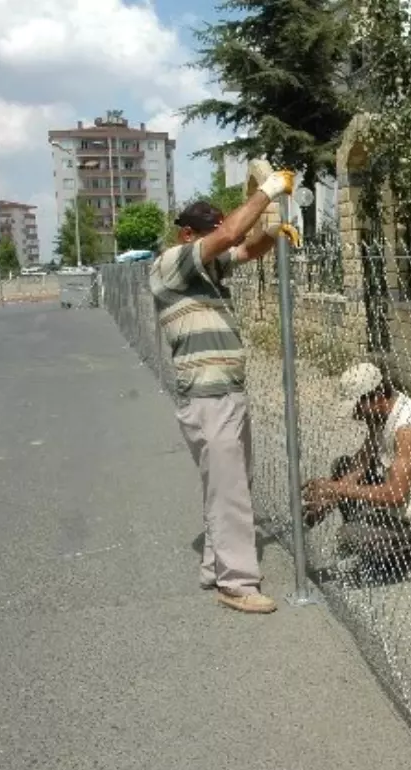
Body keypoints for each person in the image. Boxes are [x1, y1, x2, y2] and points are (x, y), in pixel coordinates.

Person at [150, 168, 299, 614]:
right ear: (187, 234)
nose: (221, 240)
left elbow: (245, 246)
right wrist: (269, 190)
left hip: (228, 393)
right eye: (210, 234)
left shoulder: (209, 270)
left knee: (230, 484)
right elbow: (234, 232)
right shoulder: (171, 265)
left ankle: (216, 566)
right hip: (207, 397)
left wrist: (272, 232)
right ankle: (236, 583)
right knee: (230, 489)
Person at [302, 362, 411, 582]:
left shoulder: (407, 431)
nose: (355, 414)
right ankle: (374, 536)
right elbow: (361, 463)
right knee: (343, 466)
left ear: (376, 398)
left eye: (357, 406)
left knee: (349, 537)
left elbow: (396, 495)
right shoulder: (383, 415)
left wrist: (337, 488)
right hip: (401, 502)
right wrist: (328, 499)